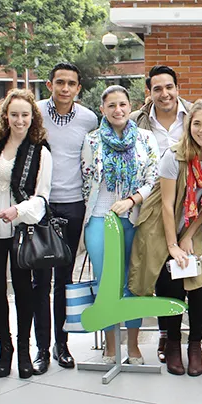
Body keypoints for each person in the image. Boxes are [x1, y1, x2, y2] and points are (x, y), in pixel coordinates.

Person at [128, 100, 202, 377]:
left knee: (198, 288)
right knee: (170, 285)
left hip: (194, 225)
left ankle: (194, 346)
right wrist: (173, 244)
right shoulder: (174, 157)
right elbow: (166, 204)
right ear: (189, 126)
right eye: (197, 123)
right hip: (165, 225)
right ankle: (172, 343)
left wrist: (190, 236)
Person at [128, 65, 202, 363]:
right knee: (162, 270)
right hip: (155, 200)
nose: (164, 94)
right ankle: (166, 335)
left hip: (193, 202)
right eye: (157, 88)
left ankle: (192, 341)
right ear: (149, 92)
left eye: (169, 87)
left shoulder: (195, 116)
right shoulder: (138, 121)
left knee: (198, 269)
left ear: (177, 88)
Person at [81, 85, 160, 364]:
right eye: (111, 105)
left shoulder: (146, 138)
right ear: (102, 109)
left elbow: (154, 178)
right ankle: (111, 345)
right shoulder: (91, 141)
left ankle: (135, 346)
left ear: (130, 106)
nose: (118, 110)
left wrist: (132, 199)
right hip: (100, 219)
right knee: (106, 283)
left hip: (134, 218)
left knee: (133, 283)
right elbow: (86, 181)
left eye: (123, 104)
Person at [0, 89, 54, 379]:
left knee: (23, 290)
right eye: (14, 114)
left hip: (21, 228)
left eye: (25, 114)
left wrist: (19, 211)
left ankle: (24, 350)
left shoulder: (40, 150)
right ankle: (5, 348)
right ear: (5, 116)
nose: (19, 120)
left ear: (33, 116)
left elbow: (42, 196)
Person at [38, 62, 99, 372]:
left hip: (74, 205)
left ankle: (61, 345)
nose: (64, 88)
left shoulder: (89, 119)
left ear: (78, 88)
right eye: (59, 82)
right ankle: (40, 349)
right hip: (40, 206)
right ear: (50, 85)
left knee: (63, 279)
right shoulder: (36, 113)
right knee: (39, 280)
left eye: (71, 83)